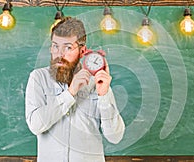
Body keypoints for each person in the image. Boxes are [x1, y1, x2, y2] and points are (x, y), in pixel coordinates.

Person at [25, 17, 125, 162]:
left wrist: (104, 95)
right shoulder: (38, 78)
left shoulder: (96, 83)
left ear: (82, 50)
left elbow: (115, 137)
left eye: (68, 47)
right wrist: (70, 93)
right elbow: (36, 125)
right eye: (55, 46)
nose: (59, 54)